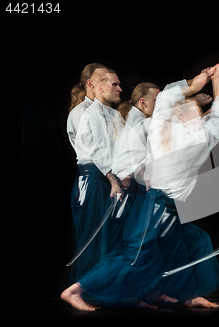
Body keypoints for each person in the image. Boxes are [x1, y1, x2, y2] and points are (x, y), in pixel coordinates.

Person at [61, 61, 219, 311]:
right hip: (157, 203)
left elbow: (173, 102)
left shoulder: (163, 121)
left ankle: (185, 294)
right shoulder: (197, 138)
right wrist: (218, 82)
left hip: (166, 203)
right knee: (136, 256)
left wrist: (197, 82)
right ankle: (77, 289)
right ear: (182, 117)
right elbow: (218, 115)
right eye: (194, 111)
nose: (199, 115)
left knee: (184, 243)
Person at [69, 68, 125, 284]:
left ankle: (104, 289)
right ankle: (82, 288)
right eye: (111, 82)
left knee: (110, 238)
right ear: (94, 84)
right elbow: (93, 149)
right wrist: (111, 177)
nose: (118, 88)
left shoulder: (113, 113)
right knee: (91, 237)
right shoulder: (83, 112)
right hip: (93, 178)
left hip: (111, 178)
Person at [67, 63, 107, 150]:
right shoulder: (81, 112)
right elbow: (92, 149)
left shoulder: (104, 110)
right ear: (90, 84)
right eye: (104, 80)